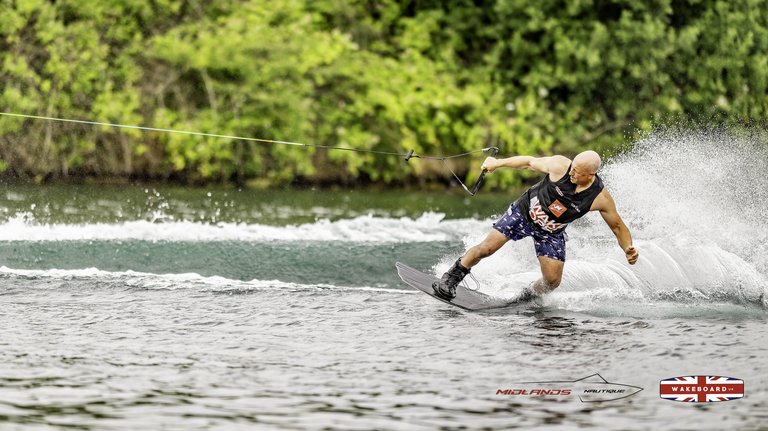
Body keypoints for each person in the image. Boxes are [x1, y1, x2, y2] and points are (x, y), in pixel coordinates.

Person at [432, 150, 639, 300]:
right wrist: (497, 163)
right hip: (524, 213)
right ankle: (451, 278)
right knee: (486, 248)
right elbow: (529, 162)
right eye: (572, 168)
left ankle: (528, 297)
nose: (572, 173)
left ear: (590, 175)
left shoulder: (599, 197)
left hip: (551, 232)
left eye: (577, 172)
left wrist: (628, 248)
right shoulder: (560, 166)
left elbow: (618, 227)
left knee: (552, 281)